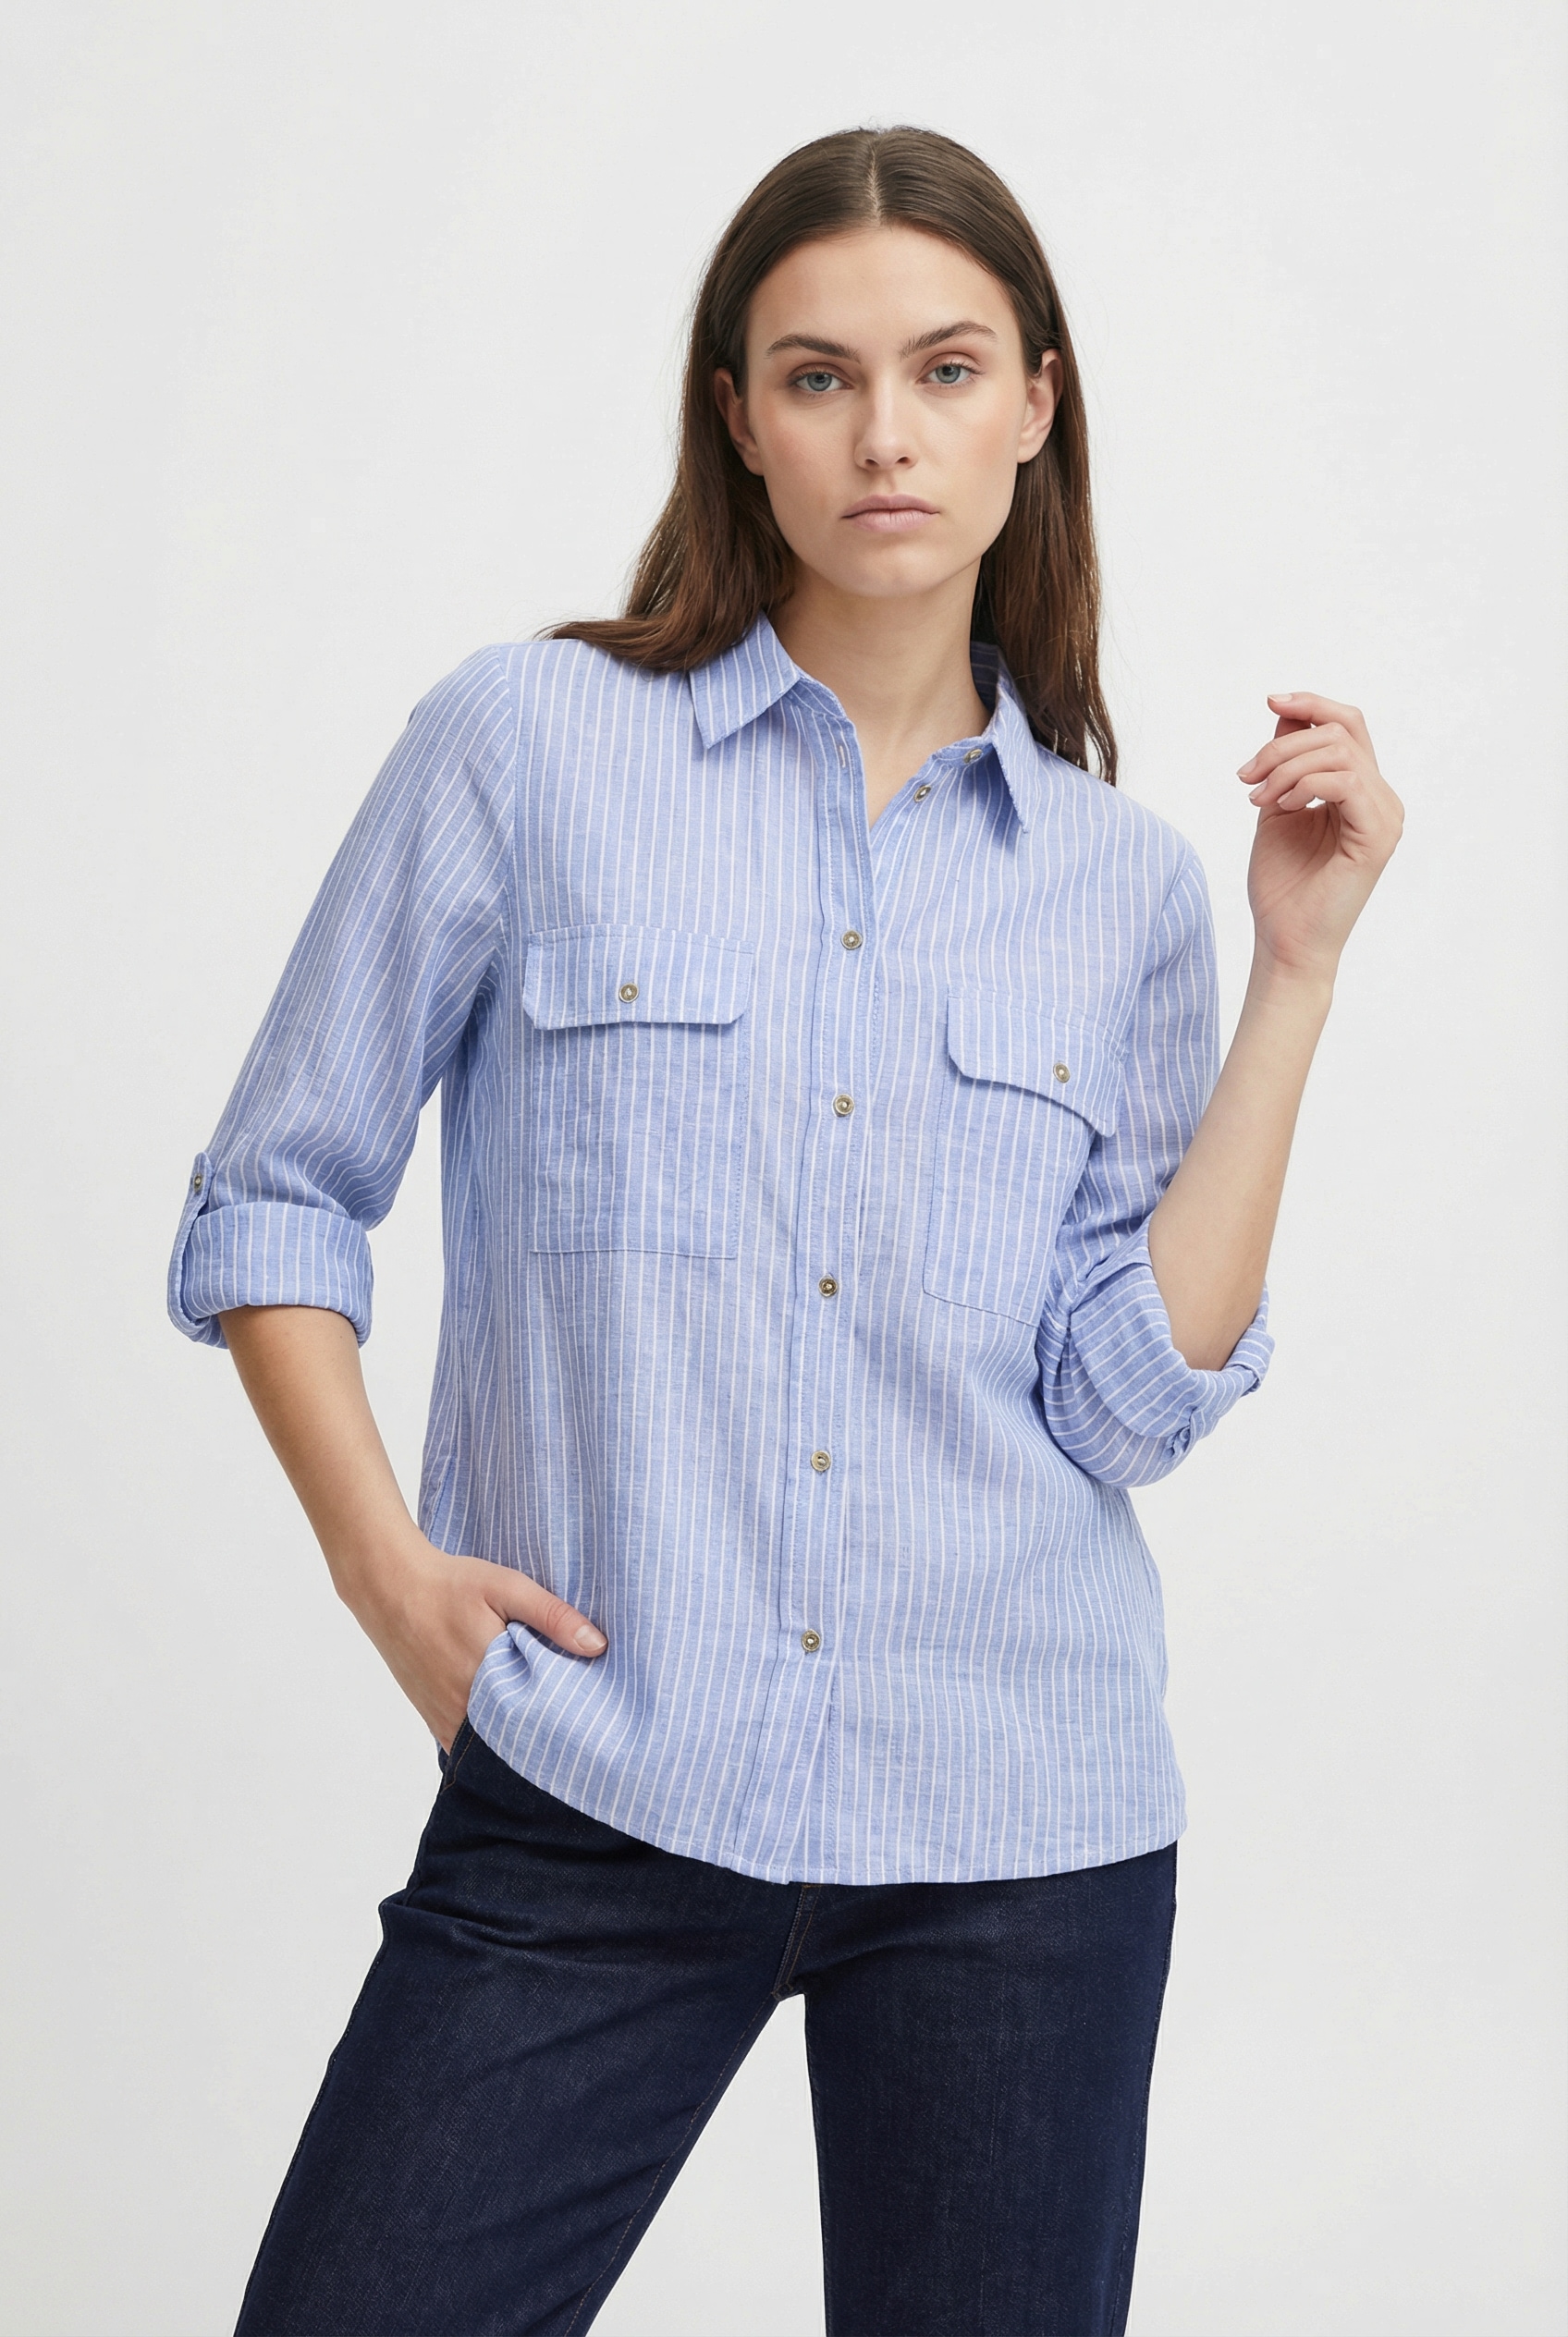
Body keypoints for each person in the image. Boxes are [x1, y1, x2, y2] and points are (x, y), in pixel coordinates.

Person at [168, 126, 1403, 2337]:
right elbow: (276, 1186)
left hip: (1020, 1828)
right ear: (737, 416)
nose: (883, 434)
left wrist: (1289, 973)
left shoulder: (1117, 885)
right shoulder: (525, 746)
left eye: (943, 369)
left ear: (1034, 403)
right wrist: (385, 1575)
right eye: (818, 376)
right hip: (596, 1773)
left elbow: (1121, 1399)